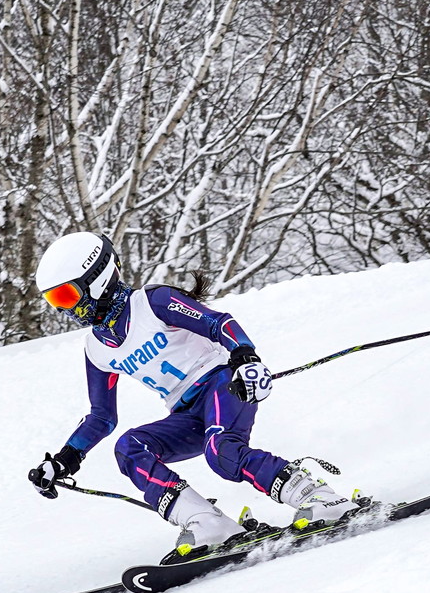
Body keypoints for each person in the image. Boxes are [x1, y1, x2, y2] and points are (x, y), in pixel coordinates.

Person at [27, 231, 365, 563]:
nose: (63, 309)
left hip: (223, 382)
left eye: (66, 297)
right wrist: (65, 459)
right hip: (185, 412)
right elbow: (102, 416)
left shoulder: (153, 302)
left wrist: (246, 358)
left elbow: (219, 323)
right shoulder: (96, 348)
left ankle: (322, 499)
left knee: (221, 451)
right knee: (129, 448)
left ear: (96, 279)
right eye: (55, 301)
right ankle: (208, 523)